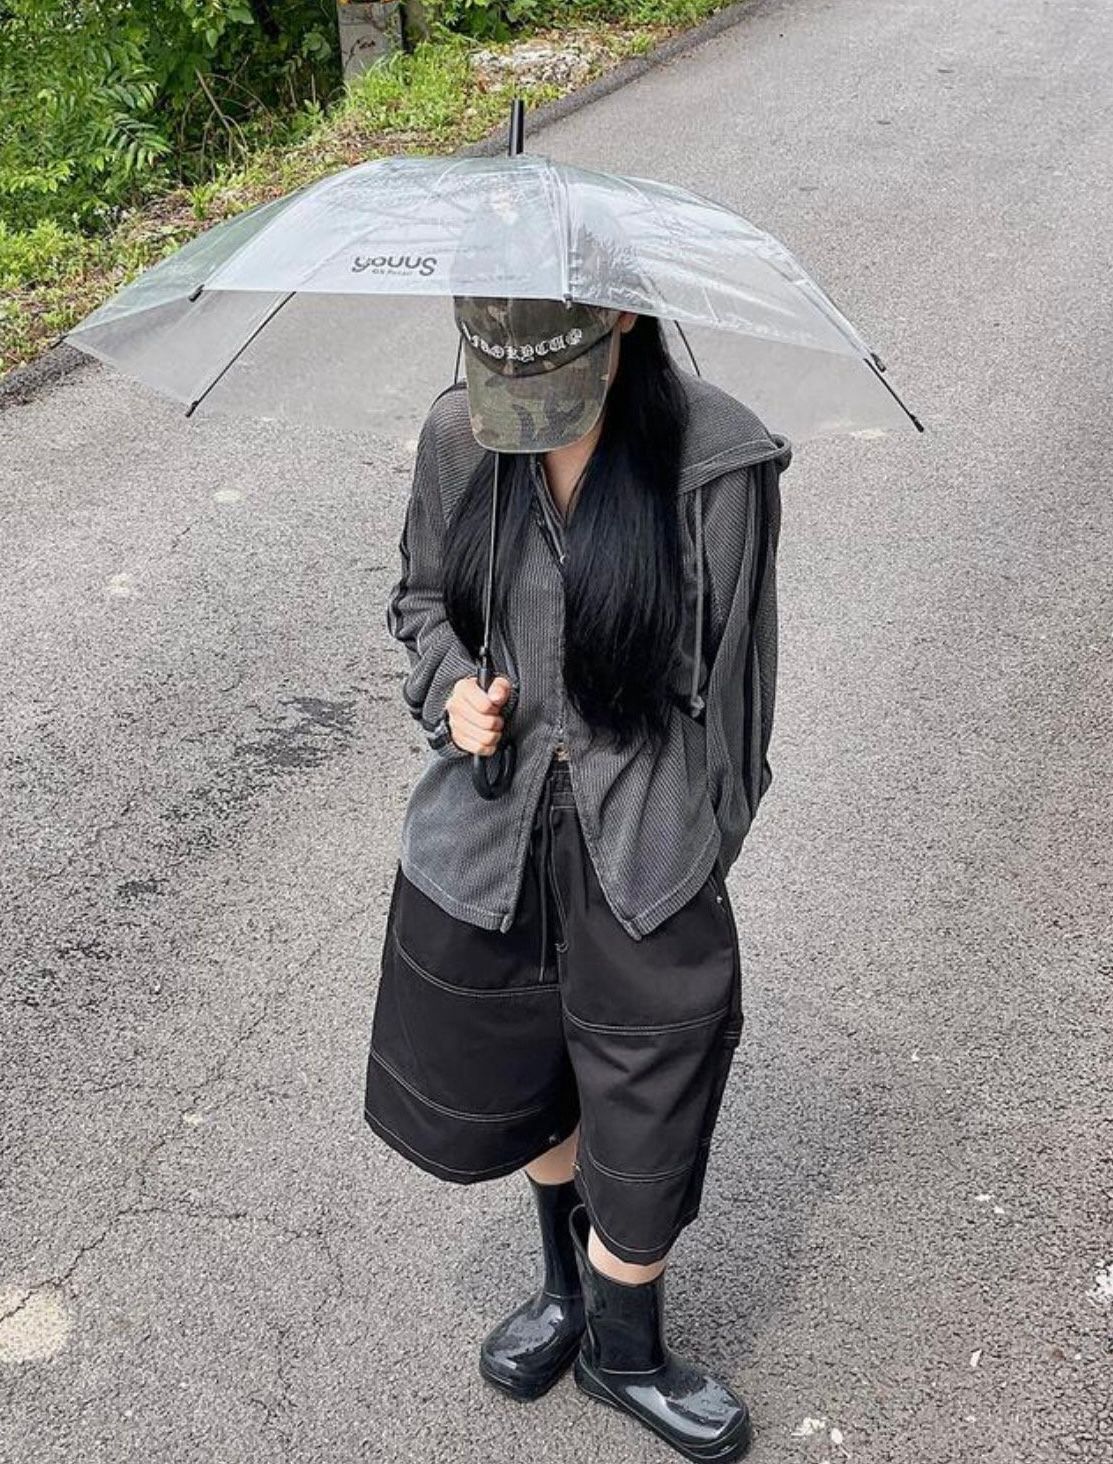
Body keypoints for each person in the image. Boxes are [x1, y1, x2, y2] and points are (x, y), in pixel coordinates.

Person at [363, 294, 792, 1463]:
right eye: (501, 379)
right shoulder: (460, 432)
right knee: (525, 1070)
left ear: (622, 320)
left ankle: (625, 1347)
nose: (523, 411)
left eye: (552, 381)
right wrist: (453, 692)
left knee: (653, 1089)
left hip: (645, 849)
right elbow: (420, 601)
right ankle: (565, 1292)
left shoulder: (718, 461)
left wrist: (700, 843)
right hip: (488, 840)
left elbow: (739, 687)